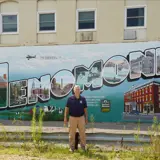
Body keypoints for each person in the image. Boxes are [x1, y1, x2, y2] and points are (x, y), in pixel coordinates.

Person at [64, 85, 88, 152]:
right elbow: (66, 109)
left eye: (78, 89)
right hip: (72, 118)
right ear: (74, 91)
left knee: (82, 133)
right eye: (76, 89)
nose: (77, 90)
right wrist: (65, 118)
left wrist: (86, 118)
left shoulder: (83, 99)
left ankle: (83, 148)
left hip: (81, 118)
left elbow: (85, 109)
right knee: (71, 134)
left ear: (80, 91)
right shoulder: (70, 99)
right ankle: (71, 148)